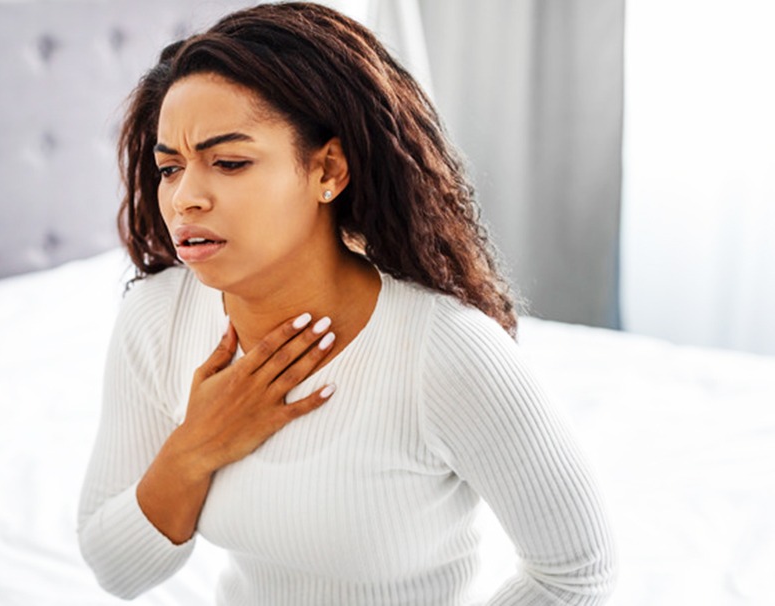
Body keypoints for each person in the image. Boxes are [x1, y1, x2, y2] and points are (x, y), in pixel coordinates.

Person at [77, 3, 616, 604]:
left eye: (228, 163)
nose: (184, 199)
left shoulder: (446, 351)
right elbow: (115, 569)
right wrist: (196, 445)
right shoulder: (159, 317)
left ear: (327, 170)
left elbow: (576, 574)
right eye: (170, 168)